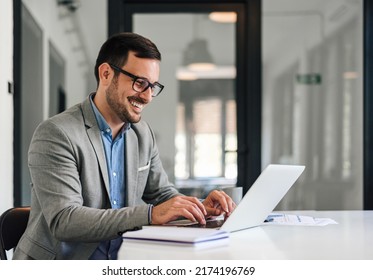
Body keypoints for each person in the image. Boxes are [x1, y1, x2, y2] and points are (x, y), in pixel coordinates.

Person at [13, 32, 236, 260]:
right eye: (140, 83)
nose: (148, 97)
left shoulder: (142, 134)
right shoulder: (57, 133)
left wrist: (198, 206)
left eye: (153, 86)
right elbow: (65, 221)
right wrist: (150, 214)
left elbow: (161, 194)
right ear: (106, 73)